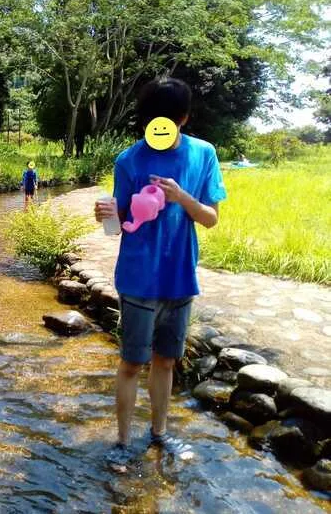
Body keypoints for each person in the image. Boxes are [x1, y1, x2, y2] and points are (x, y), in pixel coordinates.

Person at [94, 78, 226, 470]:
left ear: (183, 119)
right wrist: (105, 216)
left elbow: (212, 219)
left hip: (179, 276)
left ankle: (159, 433)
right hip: (137, 279)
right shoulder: (128, 160)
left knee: (166, 361)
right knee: (132, 364)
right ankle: (121, 442)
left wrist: (181, 196)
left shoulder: (203, 155)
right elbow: (118, 226)